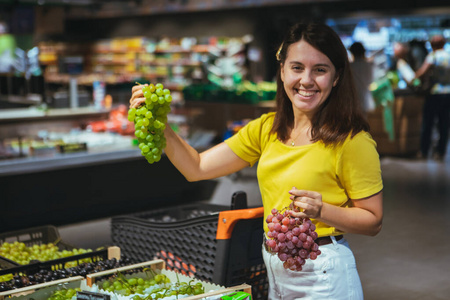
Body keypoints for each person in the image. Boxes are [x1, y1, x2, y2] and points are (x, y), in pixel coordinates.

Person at [130, 22, 383, 299]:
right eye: (297, 68)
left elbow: (372, 221)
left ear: (336, 78)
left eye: (320, 70)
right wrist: (161, 124)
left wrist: (322, 211)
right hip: (276, 272)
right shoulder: (266, 129)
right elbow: (197, 168)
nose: (307, 80)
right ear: (283, 71)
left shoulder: (352, 141)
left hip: (324, 275)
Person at [414, 35, 450, 162]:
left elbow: (422, 72)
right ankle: (440, 152)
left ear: (432, 44)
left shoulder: (433, 56)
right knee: (444, 124)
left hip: (434, 93)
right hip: (448, 93)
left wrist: (414, 77)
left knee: (428, 123)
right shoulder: (448, 55)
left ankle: (424, 151)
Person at [349, 41, 375, 115]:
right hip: (365, 100)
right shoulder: (368, 65)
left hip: (353, 100)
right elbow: (371, 81)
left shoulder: (350, 66)